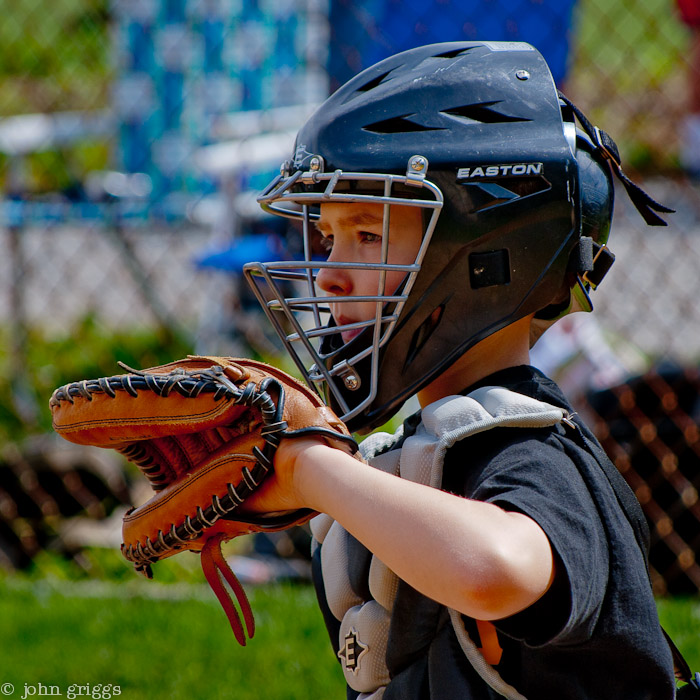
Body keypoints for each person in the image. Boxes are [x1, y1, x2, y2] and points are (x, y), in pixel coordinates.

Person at [242, 42, 678, 699]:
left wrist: (313, 471)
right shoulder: (430, 446)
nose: (328, 273)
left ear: (485, 257)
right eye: (327, 236)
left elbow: (498, 571)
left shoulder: (533, 456)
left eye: (367, 234)